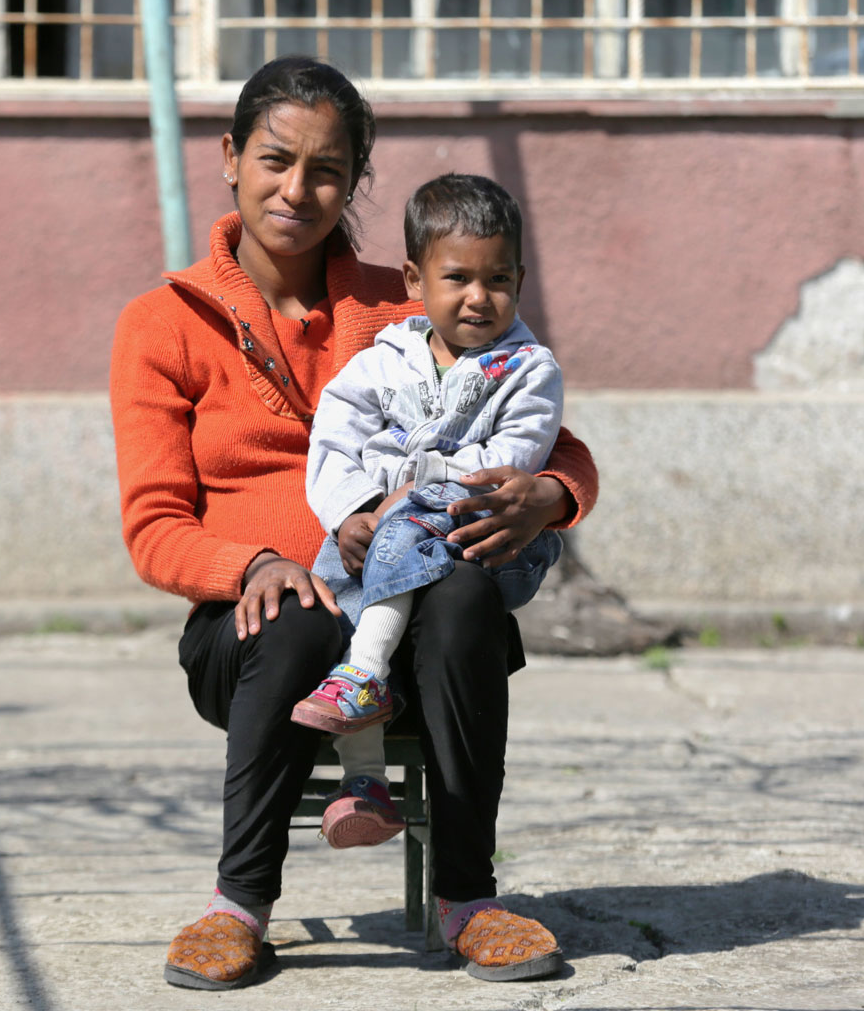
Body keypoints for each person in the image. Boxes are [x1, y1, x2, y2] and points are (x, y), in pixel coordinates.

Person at [108, 56, 599, 991]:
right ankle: (238, 905)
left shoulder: (408, 296)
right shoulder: (161, 324)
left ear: (354, 182)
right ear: (229, 158)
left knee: (460, 591)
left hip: (411, 635)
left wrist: (553, 496)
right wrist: (252, 561)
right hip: (258, 643)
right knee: (291, 613)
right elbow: (155, 527)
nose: (298, 190)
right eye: (274, 160)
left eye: (327, 170)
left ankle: (469, 898)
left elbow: (557, 439)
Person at [290, 173, 565, 854]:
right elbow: (333, 436)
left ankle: (364, 677)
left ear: (521, 280)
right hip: (385, 524)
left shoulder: (528, 369)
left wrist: (404, 489)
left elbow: (507, 462)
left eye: (498, 279)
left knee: (407, 534)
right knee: (341, 593)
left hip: (482, 534)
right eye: (458, 278)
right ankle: (365, 783)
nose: (479, 298)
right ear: (415, 278)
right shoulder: (384, 361)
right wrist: (352, 509)